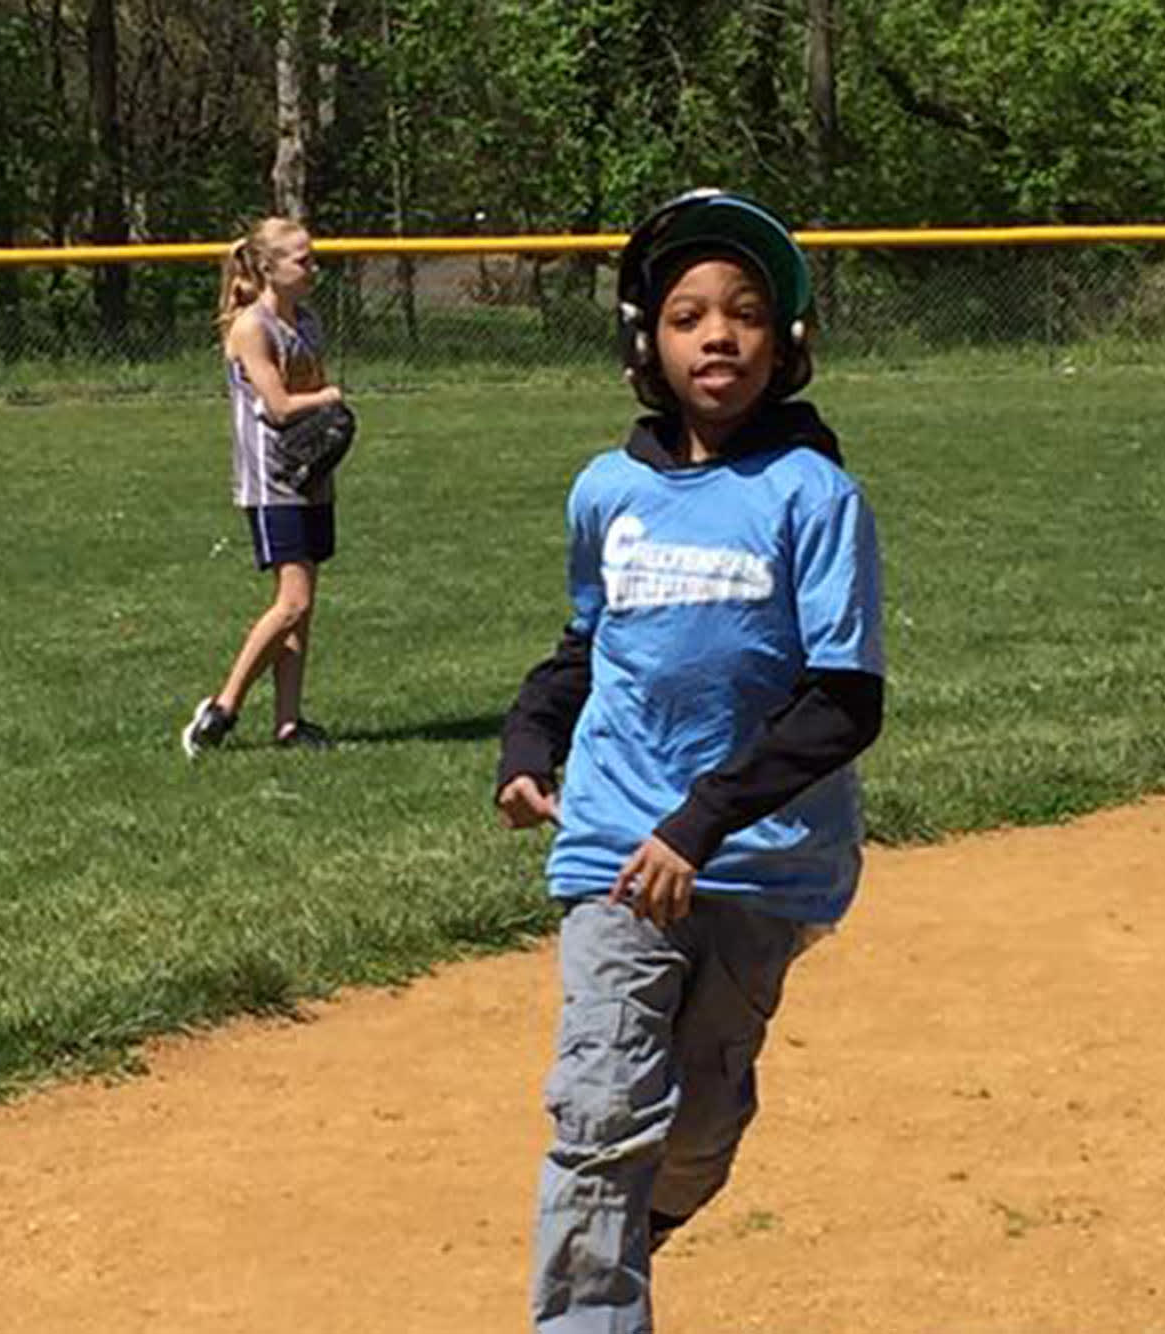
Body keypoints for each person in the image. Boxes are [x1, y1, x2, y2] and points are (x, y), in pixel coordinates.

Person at [495, 189, 887, 1333]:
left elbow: (842, 702)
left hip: (759, 861)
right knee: (602, 1111)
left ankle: (629, 1222)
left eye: (745, 313)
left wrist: (700, 822)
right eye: (686, 315)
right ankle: (589, 1289)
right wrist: (529, 738)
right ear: (645, 344)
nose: (716, 334)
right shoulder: (605, 491)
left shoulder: (813, 496)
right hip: (617, 845)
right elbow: (586, 644)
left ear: (787, 342)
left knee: (695, 1126)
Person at [181, 216, 345, 756]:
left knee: (302, 606)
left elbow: (309, 391)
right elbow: (278, 408)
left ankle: (289, 724)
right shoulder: (252, 328)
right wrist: (329, 399)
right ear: (271, 268)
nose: (312, 267)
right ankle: (223, 707)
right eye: (302, 259)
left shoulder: (309, 322)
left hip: (309, 477)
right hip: (271, 481)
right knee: (292, 604)